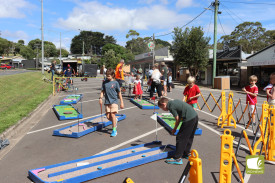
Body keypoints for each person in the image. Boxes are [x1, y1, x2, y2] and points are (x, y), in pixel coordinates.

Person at [158, 97, 198, 165]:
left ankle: (177, 158)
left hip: (189, 119)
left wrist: (174, 129)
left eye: (162, 108)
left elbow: (177, 119)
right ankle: (186, 153)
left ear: (164, 104)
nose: (163, 110)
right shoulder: (174, 101)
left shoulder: (170, 107)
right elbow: (179, 115)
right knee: (189, 136)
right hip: (195, 116)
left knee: (180, 137)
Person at [99, 68, 124, 137]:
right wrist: (100, 98)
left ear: (113, 75)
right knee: (108, 117)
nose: (108, 77)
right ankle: (115, 120)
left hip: (114, 101)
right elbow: (102, 91)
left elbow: (119, 93)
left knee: (112, 115)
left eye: (109, 76)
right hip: (107, 102)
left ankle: (114, 130)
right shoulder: (104, 82)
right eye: (107, 76)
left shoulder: (115, 83)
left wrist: (121, 102)